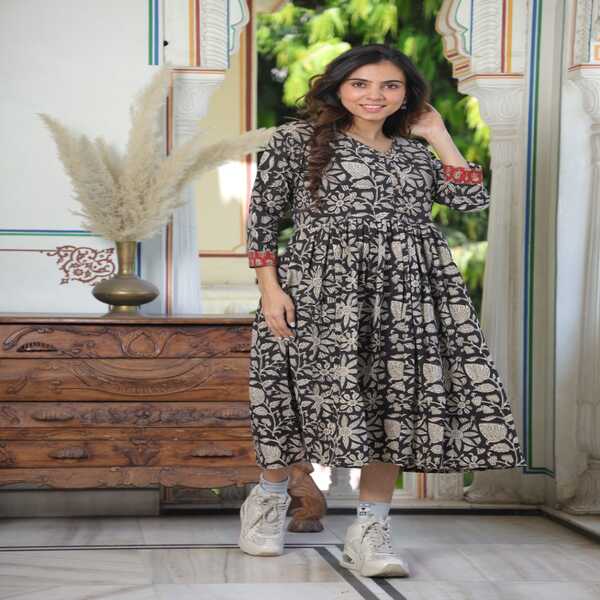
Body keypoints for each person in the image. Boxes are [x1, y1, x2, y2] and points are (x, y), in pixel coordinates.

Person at [238, 44, 527, 578]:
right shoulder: (296, 140)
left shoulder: (416, 154)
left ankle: (370, 530)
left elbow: (471, 200)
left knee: (393, 404)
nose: (375, 96)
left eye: (390, 86)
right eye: (361, 84)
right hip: (318, 291)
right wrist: (270, 290)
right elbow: (261, 220)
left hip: (407, 295)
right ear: (339, 88)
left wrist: (438, 133)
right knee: (291, 399)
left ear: (407, 95)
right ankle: (270, 498)